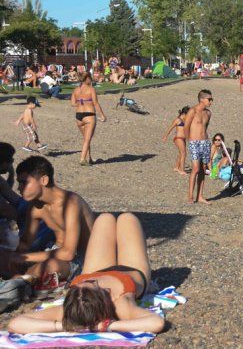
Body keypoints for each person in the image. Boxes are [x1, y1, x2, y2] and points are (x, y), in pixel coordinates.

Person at [8, 213, 165, 334]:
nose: (94, 282)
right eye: (93, 284)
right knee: (127, 218)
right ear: (104, 297)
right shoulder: (121, 304)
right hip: (130, 270)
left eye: (76, 287)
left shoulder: (70, 308)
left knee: (105, 218)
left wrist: (61, 326)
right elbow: (156, 322)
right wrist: (107, 326)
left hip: (95, 269)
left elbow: (15, 323)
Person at [7, 156, 95, 289]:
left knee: (49, 267)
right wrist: (11, 254)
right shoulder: (36, 206)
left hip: (81, 259)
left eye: (24, 182)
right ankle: (21, 280)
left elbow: (69, 253)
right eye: (19, 183)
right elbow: (25, 243)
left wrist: (24, 257)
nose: (19, 188)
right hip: (53, 252)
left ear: (44, 180)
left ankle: (19, 282)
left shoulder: (70, 203)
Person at [183, 89, 213, 204]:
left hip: (205, 142)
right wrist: (189, 140)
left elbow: (205, 128)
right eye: (209, 99)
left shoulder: (208, 113)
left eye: (211, 99)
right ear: (202, 99)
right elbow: (186, 127)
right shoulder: (193, 111)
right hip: (194, 142)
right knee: (195, 168)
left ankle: (200, 196)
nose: (211, 101)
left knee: (203, 169)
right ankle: (190, 196)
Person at [70, 73, 106, 166]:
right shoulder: (91, 89)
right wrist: (102, 115)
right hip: (89, 114)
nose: (91, 80)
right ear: (87, 79)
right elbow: (96, 103)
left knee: (86, 139)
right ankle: (82, 159)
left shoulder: (76, 90)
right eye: (90, 78)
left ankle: (89, 158)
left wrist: (81, 102)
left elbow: (73, 103)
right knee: (87, 139)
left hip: (78, 116)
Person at [162, 106, 189, 176]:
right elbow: (170, 128)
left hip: (183, 139)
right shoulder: (178, 120)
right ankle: (181, 170)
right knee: (184, 153)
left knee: (180, 153)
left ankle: (177, 167)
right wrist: (165, 136)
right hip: (178, 138)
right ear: (184, 113)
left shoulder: (185, 121)